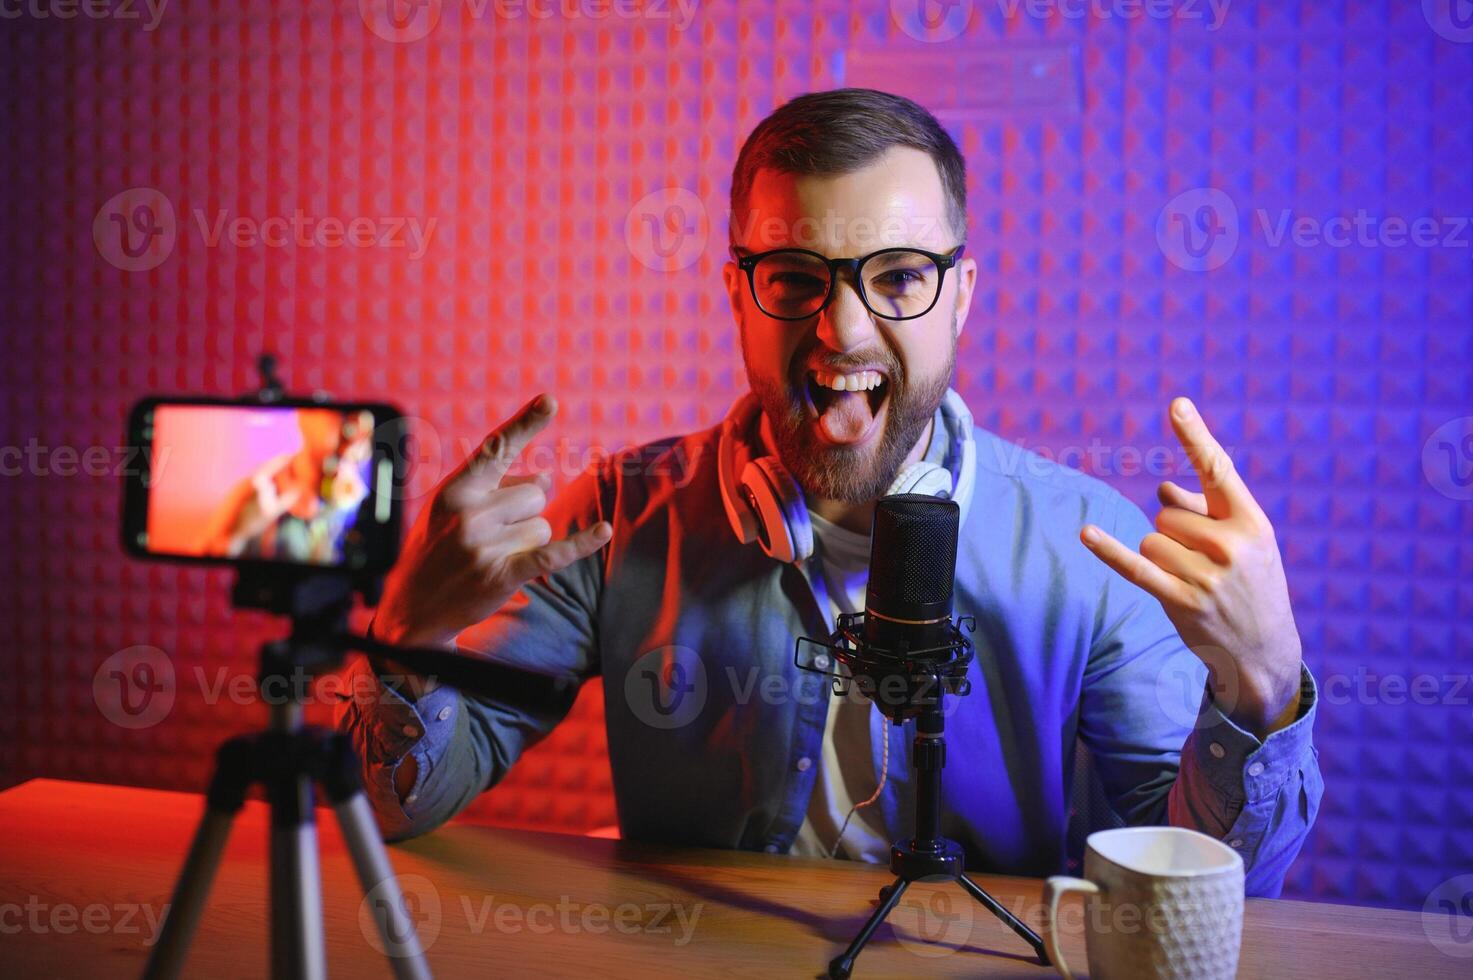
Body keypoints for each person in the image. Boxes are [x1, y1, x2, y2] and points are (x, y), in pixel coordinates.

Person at [335, 89, 1320, 897]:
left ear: (963, 295)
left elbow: (1197, 886)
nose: (842, 330)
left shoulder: (1091, 546)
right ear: (736, 293)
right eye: (797, 276)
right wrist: (408, 637)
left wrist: (1261, 683)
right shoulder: (618, 514)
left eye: (897, 277)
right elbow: (397, 804)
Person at [199, 408, 371, 564]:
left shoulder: (351, 502)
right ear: (304, 417)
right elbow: (208, 554)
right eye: (343, 418)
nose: (354, 434)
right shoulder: (261, 484)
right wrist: (247, 529)